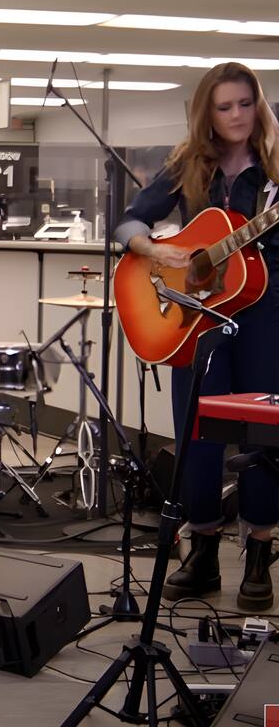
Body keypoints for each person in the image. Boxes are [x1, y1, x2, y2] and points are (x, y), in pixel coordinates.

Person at [115, 61, 279, 611]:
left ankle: (260, 552)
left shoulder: (277, 165)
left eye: (245, 103)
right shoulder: (188, 165)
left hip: (267, 316)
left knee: (262, 439)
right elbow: (131, 222)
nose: (236, 115)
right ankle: (202, 551)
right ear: (206, 112)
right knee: (198, 433)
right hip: (198, 320)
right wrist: (154, 250)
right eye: (224, 106)